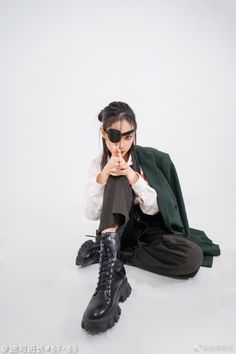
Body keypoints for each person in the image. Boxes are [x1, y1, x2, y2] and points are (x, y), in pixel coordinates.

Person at [76, 101, 221, 334]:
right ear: (103, 134)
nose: (121, 144)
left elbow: (154, 209)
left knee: (192, 258)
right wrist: (105, 176)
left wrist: (134, 178)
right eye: (114, 136)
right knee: (116, 179)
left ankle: (113, 255)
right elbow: (91, 213)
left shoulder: (146, 160)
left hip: (148, 235)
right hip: (119, 231)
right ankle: (110, 282)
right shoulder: (97, 165)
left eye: (127, 136)